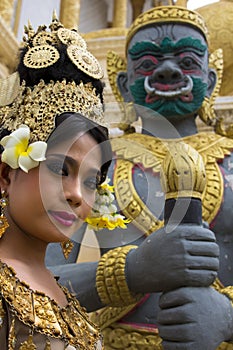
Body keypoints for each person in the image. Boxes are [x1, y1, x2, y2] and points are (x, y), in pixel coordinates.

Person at [46, 5, 233, 350]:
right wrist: (131, 271)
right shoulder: (92, 164)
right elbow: (29, 281)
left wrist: (227, 316)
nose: (166, 69)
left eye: (188, 60)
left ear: (211, 79)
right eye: (146, 62)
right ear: (123, 84)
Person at [0, 12, 131, 349]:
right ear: (6, 174)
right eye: (61, 169)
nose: (76, 195)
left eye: (91, 182)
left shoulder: (63, 292)